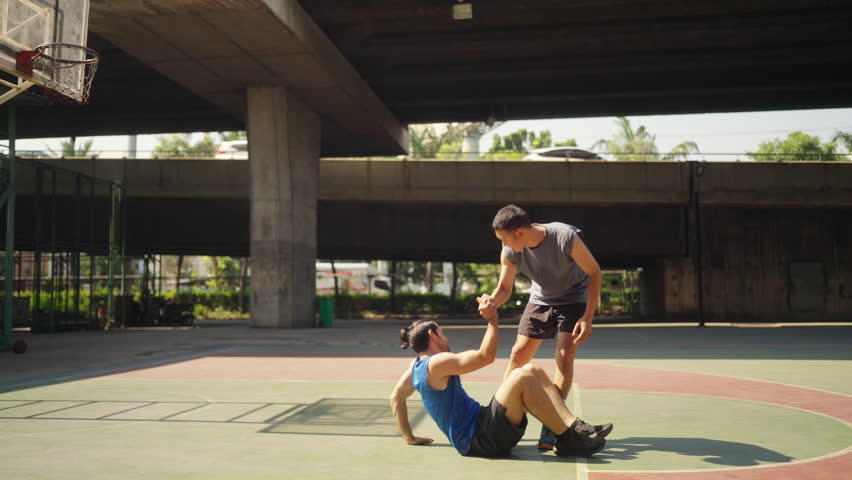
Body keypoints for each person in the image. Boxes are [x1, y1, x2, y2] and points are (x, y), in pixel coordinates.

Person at [389, 296, 606, 458]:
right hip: (481, 439)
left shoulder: (415, 366)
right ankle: (568, 441)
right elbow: (485, 357)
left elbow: (396, 398)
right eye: (442, 333)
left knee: (532, 371)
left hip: (485, 427)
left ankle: (571, 427)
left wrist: (409, 437)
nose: (446, 338)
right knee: (522, 376)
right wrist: (492, 319)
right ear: (432, 335)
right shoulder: (436, 363)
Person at [479, 204, 613, 450]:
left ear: (520, 232)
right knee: (518, 354)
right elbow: (504, 289)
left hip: (574, 298)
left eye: (504, 238)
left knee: (563, 357)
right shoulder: (510, 250)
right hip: (540, 299)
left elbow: (593, 272)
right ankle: (499, 416)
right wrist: (491, 303)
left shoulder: (564, 236)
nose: (503, 244)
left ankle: (553, 427)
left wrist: (587, 316)